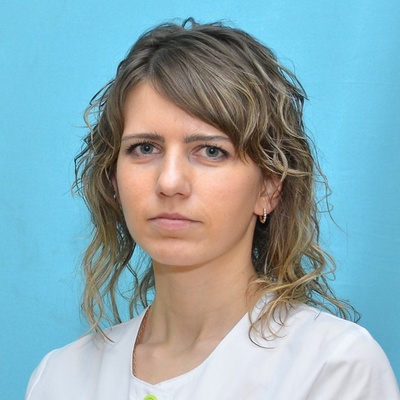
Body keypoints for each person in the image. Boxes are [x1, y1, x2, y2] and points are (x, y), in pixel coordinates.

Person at [25, 19, 399, 399]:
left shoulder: (333, 368)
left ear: (269, 188)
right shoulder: (59, 379)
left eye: (211, 151)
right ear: (113, 181)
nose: (170, 181)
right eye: (145, 148)